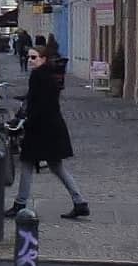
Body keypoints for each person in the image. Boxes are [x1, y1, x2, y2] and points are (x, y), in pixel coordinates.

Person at [12, 40, 88, 220]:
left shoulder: (38, 76)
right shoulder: (49, 75)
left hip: (41, 129)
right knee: (56, 167)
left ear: (43, 59)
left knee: (28, 163)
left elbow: (41, 104)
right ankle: (80, 202)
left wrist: (26, 120)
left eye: (34, 57)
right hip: (52, 128)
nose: (30, 60)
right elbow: (41, 98)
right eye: (28, 57)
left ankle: (20, 204)